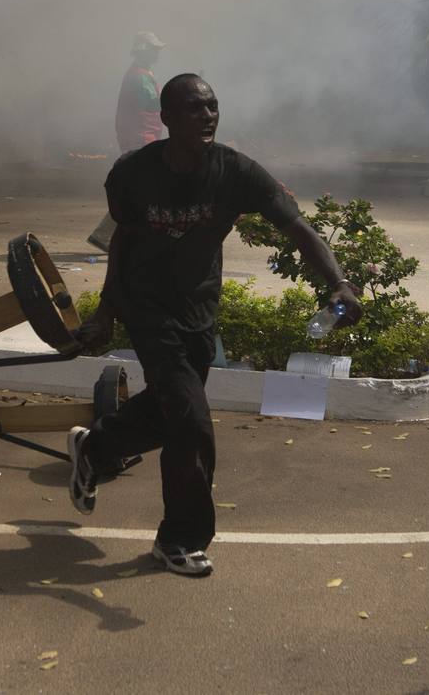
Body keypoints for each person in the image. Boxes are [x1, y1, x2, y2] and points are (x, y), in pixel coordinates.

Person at [69, 73, 363, 576]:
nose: (206, 116)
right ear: (165, 118)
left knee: (169, 414)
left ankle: (95, 448)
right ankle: (179, 539)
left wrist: (338, 283)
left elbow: (298, 228)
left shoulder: (235, 172)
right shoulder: (133, 175)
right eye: (192, 108)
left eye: (212, 107)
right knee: (191, 421)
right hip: (148, 309)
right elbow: (122, 245)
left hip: (199, 311)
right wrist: (106, 312)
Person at [86, 31, 166, 252]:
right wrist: (178, 98)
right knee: (143, 189)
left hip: (141, 136)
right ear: (144, 51)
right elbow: (152, 103)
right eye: (154, 50)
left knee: (139, 189)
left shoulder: (141, 73)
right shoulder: (139, 76)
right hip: (140, 138)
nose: (157, 54)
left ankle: (109, 236)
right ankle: (110, 236)